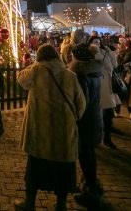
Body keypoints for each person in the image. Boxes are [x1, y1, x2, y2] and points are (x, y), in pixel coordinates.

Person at [14, 44, 86, 211]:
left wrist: (35, 64)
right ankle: (61, 204)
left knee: (35, 168)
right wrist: (71, 119)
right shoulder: (70, 75)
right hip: (64, 133)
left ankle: (30, 202)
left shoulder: (36, 70)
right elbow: (81, 104)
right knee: (63, 170)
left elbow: (21, 80)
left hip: (41, 132)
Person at [67, 32, 105, 208]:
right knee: (88, 153)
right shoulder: (95, 72)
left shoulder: (81, 75)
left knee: (86, 154)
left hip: (86, 119)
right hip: (94, 116)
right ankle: (88, 184)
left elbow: (82, 101)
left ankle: (90, 190)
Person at [90, 35, 119, 149]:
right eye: (94, 42)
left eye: (98, 42)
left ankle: (107, 137)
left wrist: (110, 53)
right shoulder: (92, 53)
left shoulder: (104, 51)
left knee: (108, 113)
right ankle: (98, 137)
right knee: (98, 113)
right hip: (98, 84)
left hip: (108, 84)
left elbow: (114, 65)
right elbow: (106, 66)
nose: (97, 44)